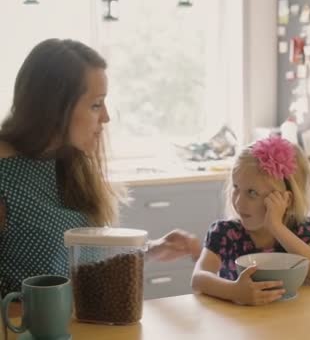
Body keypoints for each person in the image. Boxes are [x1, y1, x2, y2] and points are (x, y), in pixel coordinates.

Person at [0, 38, 201, 297]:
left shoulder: (67, 161)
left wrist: (150, 250)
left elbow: (79, 260)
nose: (106, 116)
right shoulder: (6, 177)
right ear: (56, 108)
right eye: (96, 104)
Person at [191, 136, 310, 305]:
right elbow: (198, 278)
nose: (238, 202)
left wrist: (277, 227)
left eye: (252, 193)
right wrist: (234, 291)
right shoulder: (225, 233)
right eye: (236, 188)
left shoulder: (302, 230)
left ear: (286, 200)